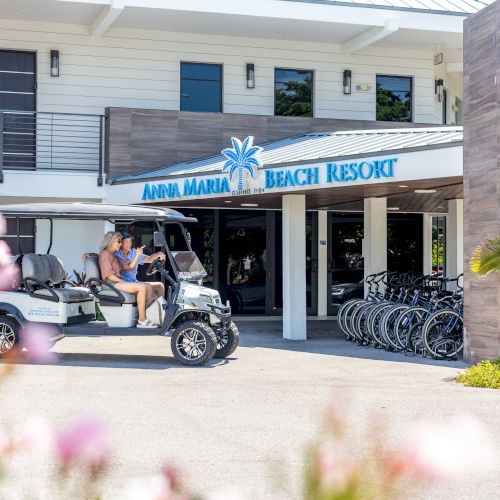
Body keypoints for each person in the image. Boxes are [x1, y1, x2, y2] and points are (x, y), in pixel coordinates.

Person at [97, 231, 157, 329]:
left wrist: (137, 254)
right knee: (141, 287)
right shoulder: (105, 254)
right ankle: (142, 320)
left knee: (147, 286)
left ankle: (148, 316)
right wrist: (124, 282)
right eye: (118, 241)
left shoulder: (113, 255)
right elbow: (109, 276)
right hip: (111, 284)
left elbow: (129, 266)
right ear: (111, 242)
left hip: (116, 282)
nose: (120, 244)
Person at [114, 231, 166, 299]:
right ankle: (148, 308)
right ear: (120, 243)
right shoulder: (116, 254)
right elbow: (127, 267)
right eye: (126, 241)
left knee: (160, 286)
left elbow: (148, 259)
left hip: (134, 281)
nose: (129, 244)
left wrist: (158, 254)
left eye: (130, 241)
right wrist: (137, 255)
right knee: (149, 290)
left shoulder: (134, 252)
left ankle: (160, 308)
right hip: (124, 283)